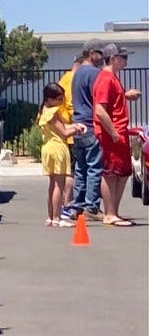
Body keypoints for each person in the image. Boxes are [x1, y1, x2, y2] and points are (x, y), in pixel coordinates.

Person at [91, 43, 135, 226]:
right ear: (113, 58)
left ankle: (114, 212)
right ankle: (109, 213)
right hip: (112, 133)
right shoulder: (105, 78)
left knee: (122, 172)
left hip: (119, 131)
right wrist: (113, 132)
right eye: (123, 57)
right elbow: (100, 109)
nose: (126, 61)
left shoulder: (113, 79)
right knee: (110, 172)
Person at [64, 42, 106, 220]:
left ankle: (77, 206)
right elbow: (100, 98)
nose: (102, 56)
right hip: (90, 125)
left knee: (80, 168)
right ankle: (92, 206)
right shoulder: (95, 73)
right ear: (91, 53)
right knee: (94, 167)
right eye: (99, 53)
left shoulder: (77, 72)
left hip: (77, 125)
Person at [36, 80, 81, 226]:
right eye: (59, 99)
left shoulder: (43, 110)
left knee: (52, 184)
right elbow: (65, 132)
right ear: (50, 99)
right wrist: (77, 128)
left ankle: (51, 216)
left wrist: (73, 125)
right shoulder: (53, 112)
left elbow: (60, 127)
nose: (62, 102)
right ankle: (57, 217)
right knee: (59, 185)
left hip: (48, 148)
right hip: (58, 148)